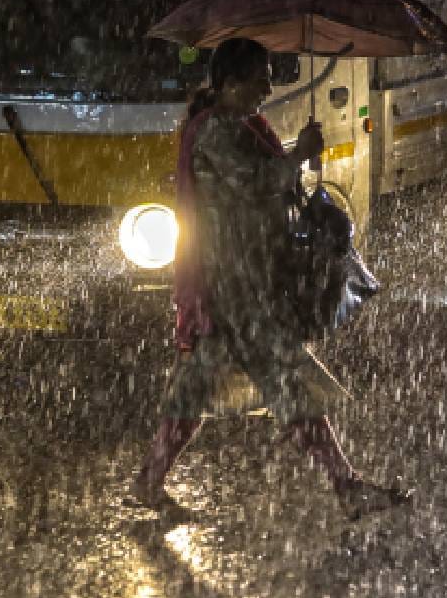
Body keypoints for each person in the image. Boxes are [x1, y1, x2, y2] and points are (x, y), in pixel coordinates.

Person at [130, 38, 411, 520]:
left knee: (198, 389)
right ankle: (346, 487)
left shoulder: (241, 126)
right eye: (260, 76)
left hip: (245, 283)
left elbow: (269, 180)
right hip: (231, 289)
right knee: (285, 378)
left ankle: (151, 481)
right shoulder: (215, 132)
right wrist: (297, 154)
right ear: (232, 83)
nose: (268, 85)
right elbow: (255, 183)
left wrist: (298, 156)